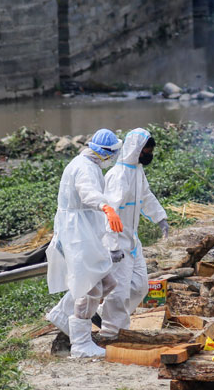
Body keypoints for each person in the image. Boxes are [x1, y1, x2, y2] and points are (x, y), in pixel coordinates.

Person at [45, 128, 125, 358]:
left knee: (107, 282)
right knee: (90, 287)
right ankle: (80, 344)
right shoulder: (84, 168)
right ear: (104, 152)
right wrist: (106, 207)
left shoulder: (90, 165)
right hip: (76, 234)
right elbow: (87, 192)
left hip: (84, 231)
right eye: (112, 153)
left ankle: (63, 314)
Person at [98, 128, 168, 338]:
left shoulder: (137, 170)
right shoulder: (118, 177)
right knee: (118, 292)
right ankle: (112, 333)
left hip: (132, 240)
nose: (149, 155)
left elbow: (146, 197)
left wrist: (160, 218)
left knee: (139, 287)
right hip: (117, 242)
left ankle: (102, 314)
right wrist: (112, 246)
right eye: (146, 151)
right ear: (136, 149)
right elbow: (109, 214)